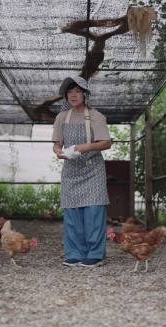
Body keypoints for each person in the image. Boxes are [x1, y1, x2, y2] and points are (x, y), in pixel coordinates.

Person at [52, 76, 111, 267]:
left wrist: (84, 148)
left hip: (92, 170)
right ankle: (75, 253)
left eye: (77, 91)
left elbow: (106, 142)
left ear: (85, 94)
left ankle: (95, 253)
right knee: (72, 214)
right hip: (71, 171)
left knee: (93, 211)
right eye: (70, 92)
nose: (73, 95)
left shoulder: (96, 116)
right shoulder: (62, 117)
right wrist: (59, 152)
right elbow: (57, 144)